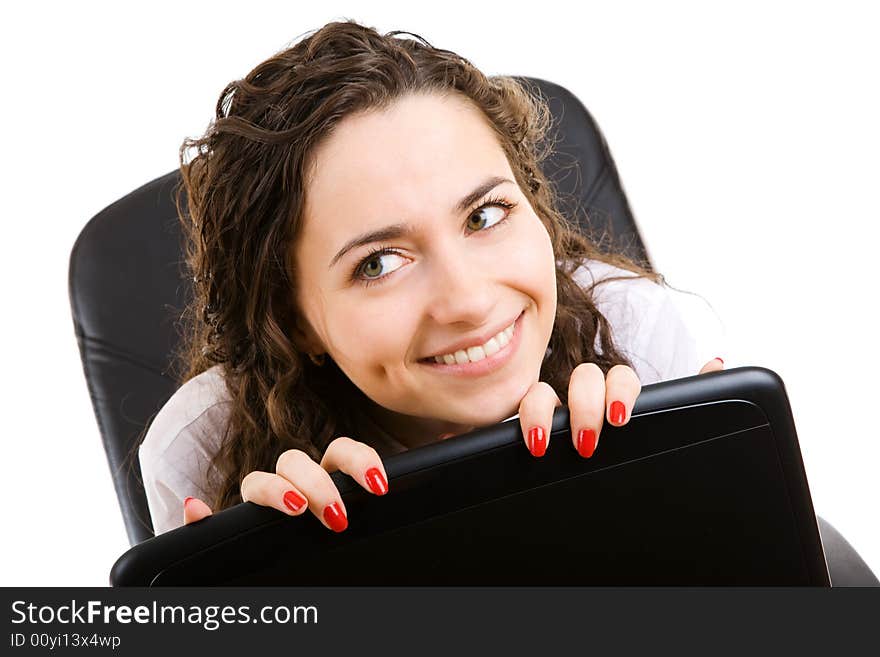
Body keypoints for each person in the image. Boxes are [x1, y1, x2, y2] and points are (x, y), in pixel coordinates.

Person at [138, 19, 727, 537]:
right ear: (293, 321)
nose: (468, 301)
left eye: (484, 216)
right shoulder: (205, 453)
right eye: (379, 263)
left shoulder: (647, 348)